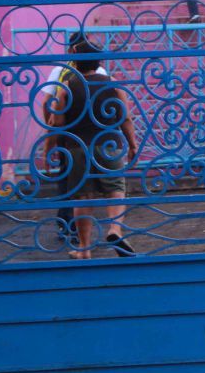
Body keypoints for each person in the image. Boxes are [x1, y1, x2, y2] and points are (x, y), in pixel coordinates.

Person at [49, 35, 139, 260]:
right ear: (99, 62)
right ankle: (115, 230)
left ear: (77, 63)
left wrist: (51, 141)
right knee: (116, 189)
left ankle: (84, 249)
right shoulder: (113, 84)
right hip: (109, 145)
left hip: (78, 146)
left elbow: (56, 122)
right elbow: (125, 119)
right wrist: (133, 145)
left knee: (82, 197)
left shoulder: (68, 85)